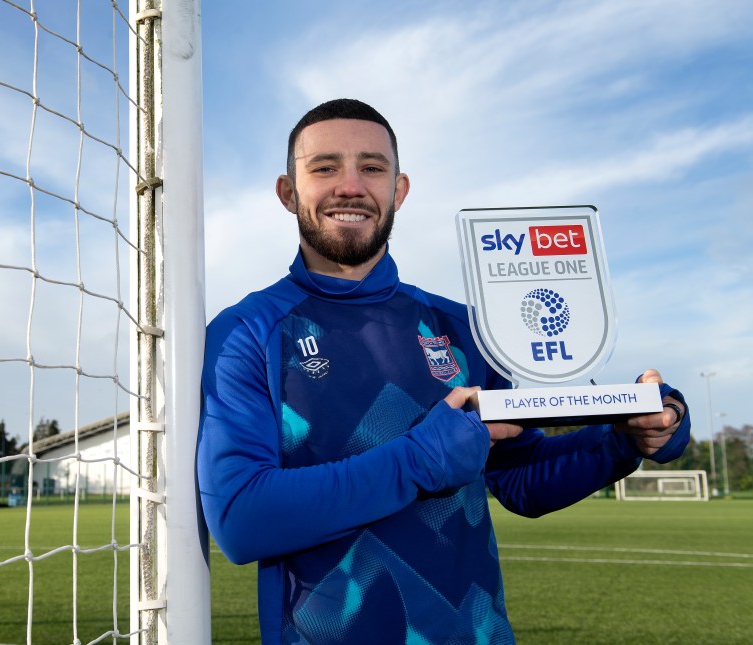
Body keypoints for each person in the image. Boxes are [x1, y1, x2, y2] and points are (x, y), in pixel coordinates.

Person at [196, 98, 690, 644]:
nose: (351, 185)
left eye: (373, 168)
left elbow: (520, 477)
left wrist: (626, 438)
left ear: (399, 190)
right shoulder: (248, 332)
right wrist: (418, 462)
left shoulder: (464, 328)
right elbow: (243, 518)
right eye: (325, 167)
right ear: (289, 192)